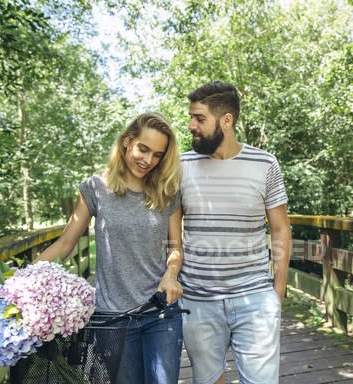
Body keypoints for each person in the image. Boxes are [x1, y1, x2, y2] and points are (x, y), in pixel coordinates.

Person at [34, 112, 184, 384]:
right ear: (127, 141)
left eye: (158, 155)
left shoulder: (168, 191)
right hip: (112, 319)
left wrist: (171, 275)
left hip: (160, 313)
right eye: (143, 149)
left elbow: (175, 248)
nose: (148, 160)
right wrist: (23, 281)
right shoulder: (94, 188)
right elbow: (66, 243)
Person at [179, 81, 292, 384]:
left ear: (226, 120)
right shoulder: (180, 165)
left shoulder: (265, 163)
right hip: (197, 300)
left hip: (254, 298)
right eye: (191, 117)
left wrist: (276, 292)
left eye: (199, 118)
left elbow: (281, 229)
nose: (191, 125)